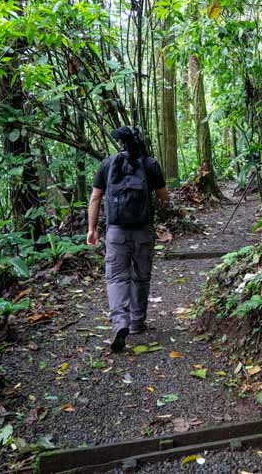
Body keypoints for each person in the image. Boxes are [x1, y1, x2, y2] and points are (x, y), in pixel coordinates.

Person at [86, 127, 169, 352]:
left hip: (116, 232)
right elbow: (164, 197)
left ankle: (119, 322)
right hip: (143, 230)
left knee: (116, 278)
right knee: (141, 276)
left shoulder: (107, 164)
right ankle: (137, 322)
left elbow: (95, 197)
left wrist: (92, 229)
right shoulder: (150, 165)